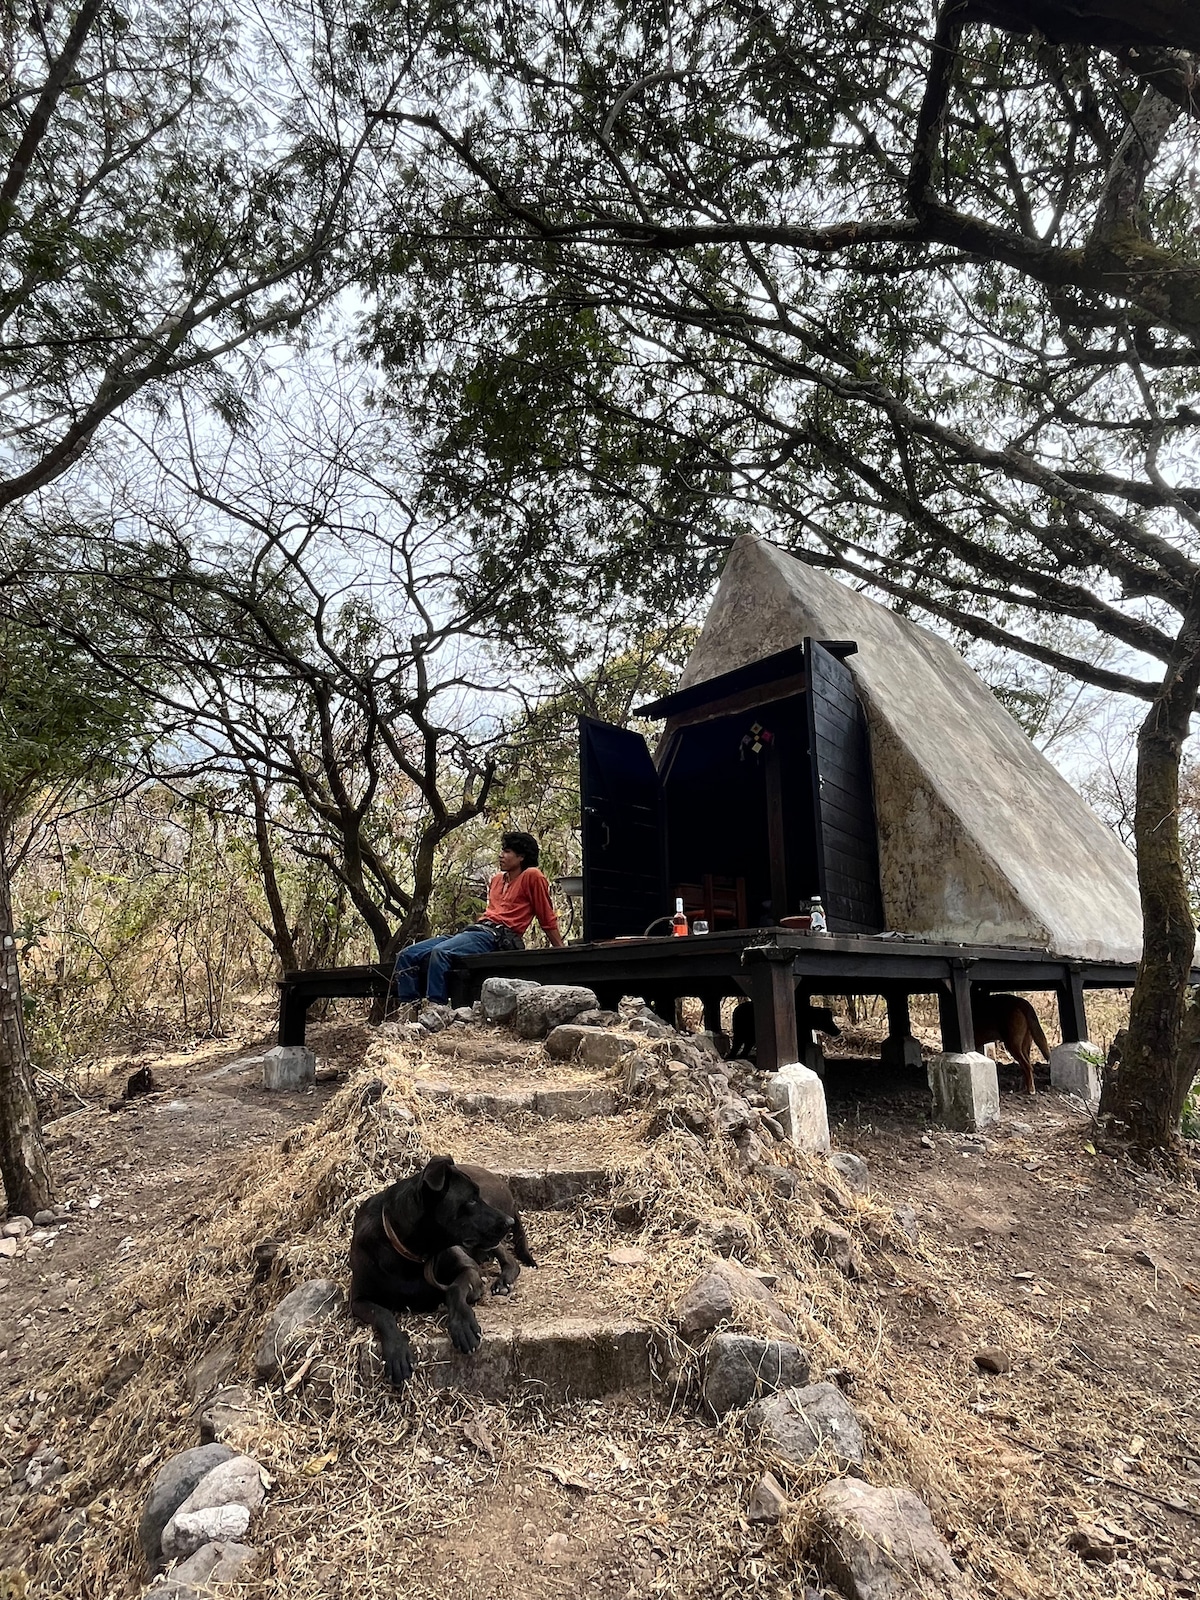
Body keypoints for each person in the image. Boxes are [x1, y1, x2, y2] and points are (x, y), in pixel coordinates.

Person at [392, 831, 564, 1007]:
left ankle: (436, 1009)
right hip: (475, 930)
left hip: (497, 935)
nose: (501, 855)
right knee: (407, 955)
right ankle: (410, 1010)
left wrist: (561, 951)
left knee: (441, 952)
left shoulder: (532, 876)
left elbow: (546, 917)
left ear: (521, 856)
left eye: (507, 851)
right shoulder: (497, 879)